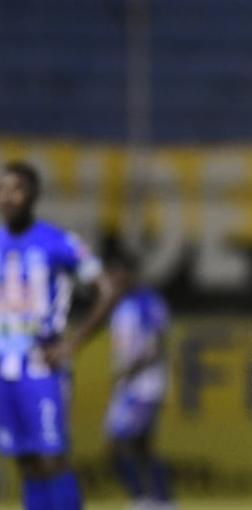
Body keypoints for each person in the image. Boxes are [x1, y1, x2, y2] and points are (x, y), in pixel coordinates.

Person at [0, 161, 117, 510]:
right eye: (3, 190)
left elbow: (106, 290)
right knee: (26, 461)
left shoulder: (57, 242)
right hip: (4, 367)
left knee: (52, 457)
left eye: (17, 189)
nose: (8, 197)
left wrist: (73, 343)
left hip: (41, 365)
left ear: (33, 194)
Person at [103, 251, 175, 510]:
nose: (114, 278)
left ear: (130, 274)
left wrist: (130, 370)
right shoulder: (119, 305)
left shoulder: (147, 302)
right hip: (130, 386)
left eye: (118, 272)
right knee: (142, 446)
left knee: (118, 442)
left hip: (145, 385)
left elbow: (157, 344)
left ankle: (145, 498)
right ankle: (160, 500)